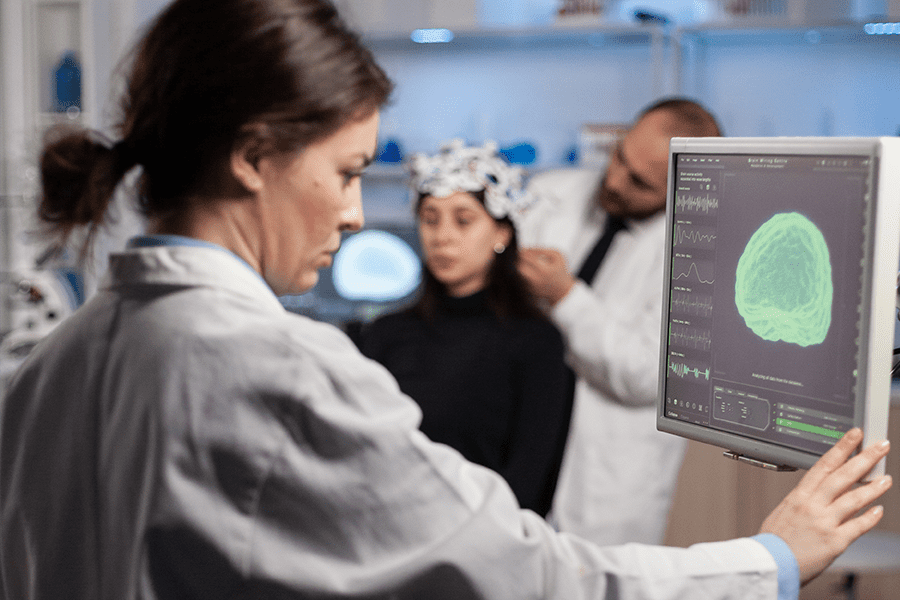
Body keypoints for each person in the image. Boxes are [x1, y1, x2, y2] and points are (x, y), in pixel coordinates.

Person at [0, 1, 892, 598]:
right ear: (253, 155)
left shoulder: (55, 363)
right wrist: (769, 559)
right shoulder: (285, 372)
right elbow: (524, 577)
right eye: (347, 172)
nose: (356, 215)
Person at [517, 98, 723, 547]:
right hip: (520, 452)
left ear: (683, 189)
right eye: (618, 156)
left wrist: (564, 296)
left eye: (639, 182)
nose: (612, 180)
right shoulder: (550, 195)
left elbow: (646, 373)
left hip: (605, 494)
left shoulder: (698, 256)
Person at [358, 140, 570, 516]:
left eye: (463, 219)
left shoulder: (536, 343)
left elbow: (530, 484)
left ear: (502, 234)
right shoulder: (383, 335)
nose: (442, 236)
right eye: (430, 218)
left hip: (488, 548)